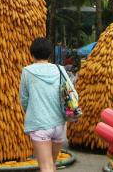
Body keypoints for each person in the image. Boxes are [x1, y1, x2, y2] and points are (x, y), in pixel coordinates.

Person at [20, 37, 76, 172]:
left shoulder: (27, 71)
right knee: (51, 165)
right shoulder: (60, 69)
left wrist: (33, 112)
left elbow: (24, 100)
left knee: (45, 167)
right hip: (59, 125)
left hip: (40, 124)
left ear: (32, 54)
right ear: (50, 54)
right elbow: (73, 93)